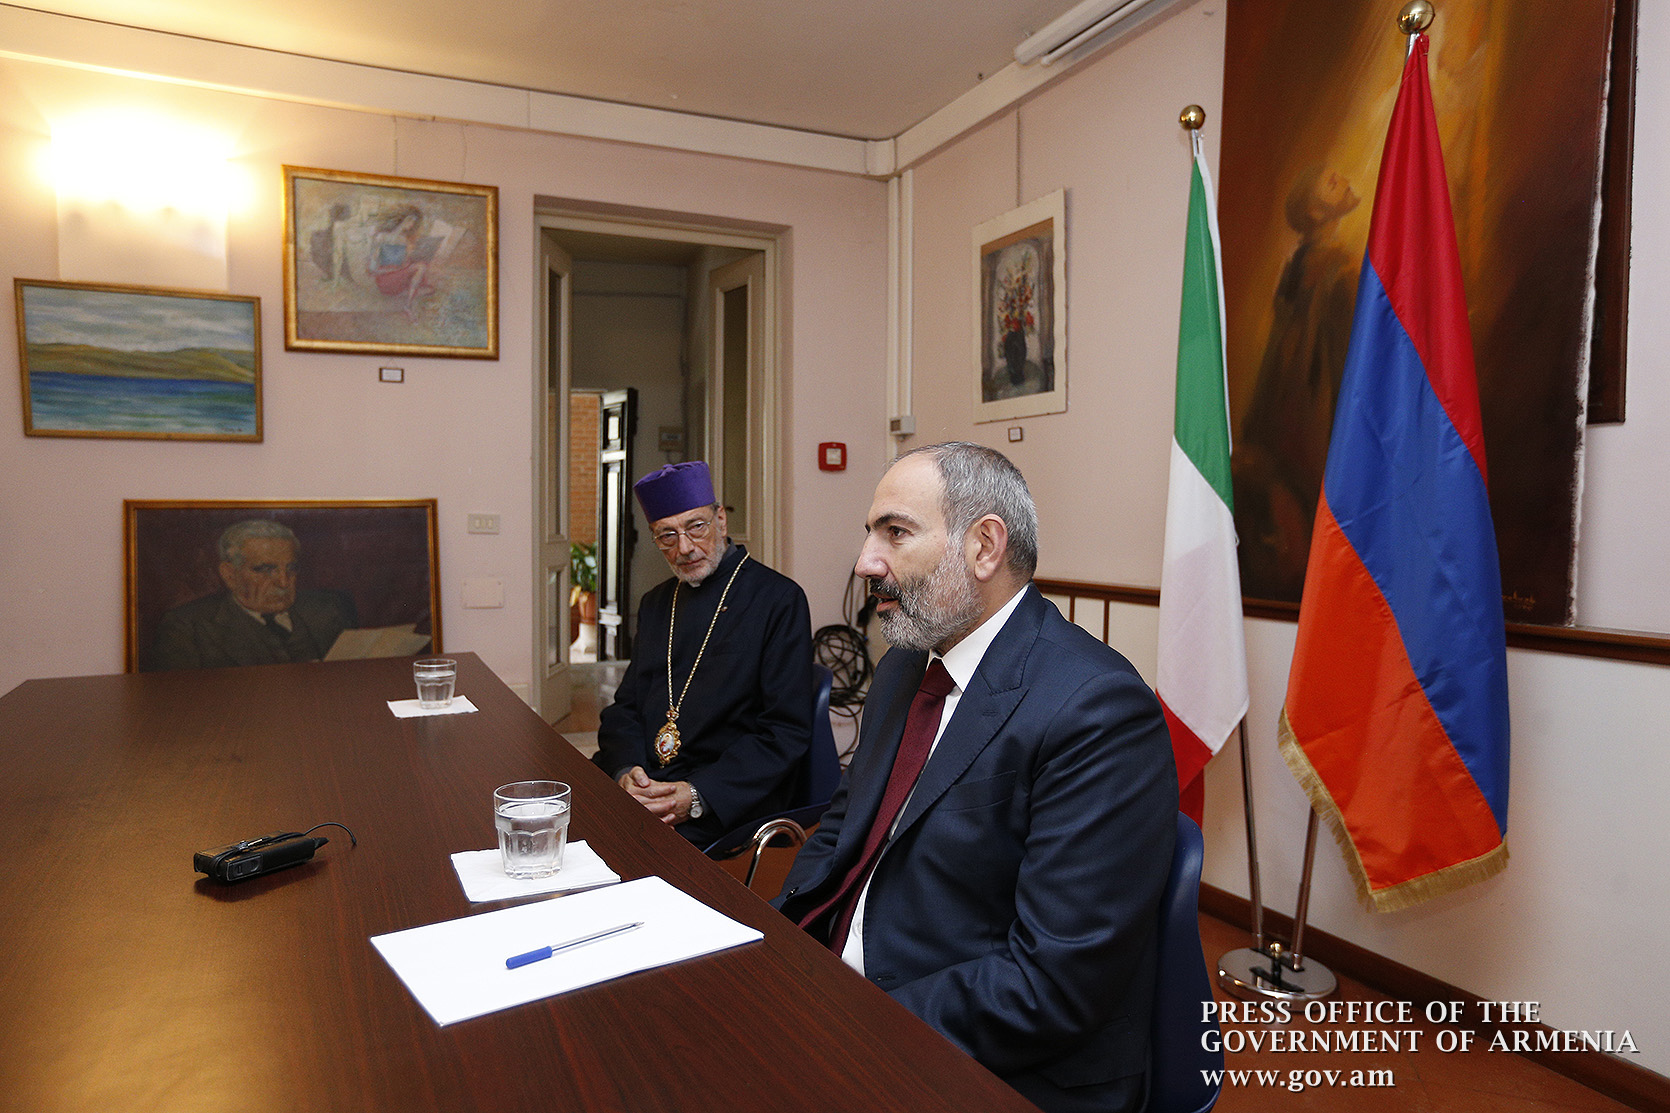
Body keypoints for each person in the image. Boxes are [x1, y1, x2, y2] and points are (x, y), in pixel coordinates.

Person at [773, 442, 1176, 1113]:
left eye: (895, 532)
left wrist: (852, 1024)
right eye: (870, 533)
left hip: (978, 1055)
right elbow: (844, 827)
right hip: (844, 992)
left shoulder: (1099, 709)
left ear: (984, 546)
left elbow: (1052, 984)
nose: (866, 561)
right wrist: (776, 941)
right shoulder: (905, 667)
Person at [592, 461, 814, 848]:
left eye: (696, 526)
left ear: (721, 520)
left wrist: (696, 795)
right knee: (570, 817)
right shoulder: (656, 603)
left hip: (728, 792)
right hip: (651, 782)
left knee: (624, 848)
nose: (685, 548)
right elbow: (625, 707)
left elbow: (785, 730)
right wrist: (628, 773)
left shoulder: (779, 600)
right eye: (667, 535)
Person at [147, 520, 355, 671]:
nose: (284, 582)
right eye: (265, 569)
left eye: (291, 569)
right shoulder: (187, 627)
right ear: (230, 575)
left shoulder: (330, 608)